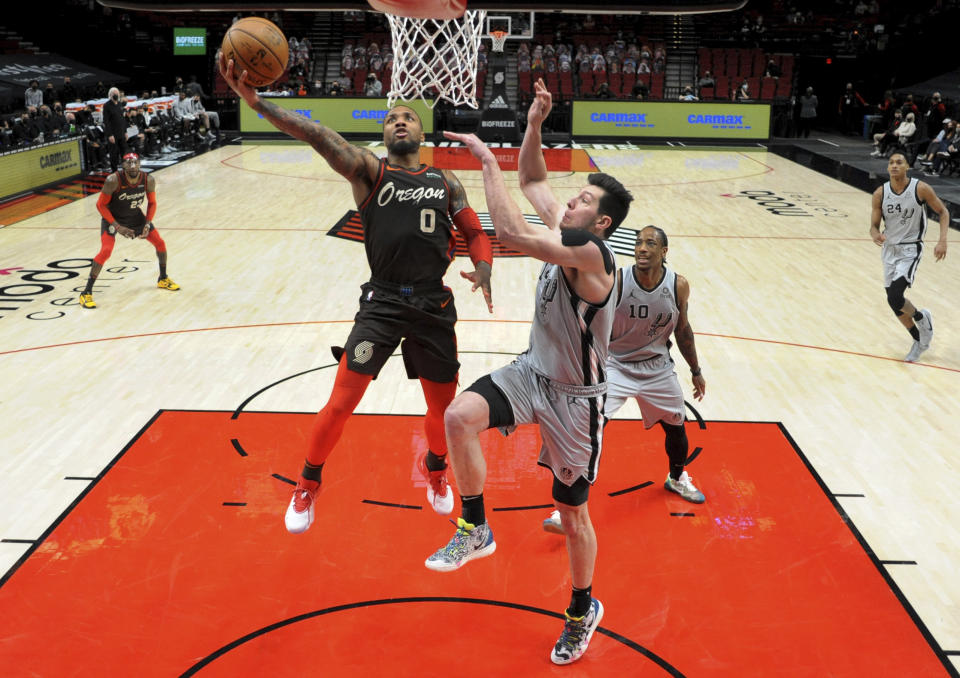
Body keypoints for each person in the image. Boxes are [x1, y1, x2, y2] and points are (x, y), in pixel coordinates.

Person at [218, 50, 495, 532]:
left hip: (434, 303)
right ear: (383, 135)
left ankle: (434, 469)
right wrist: (258, 104)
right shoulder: (369, 171)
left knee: (441, 410)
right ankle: (308, 483)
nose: (400, 121)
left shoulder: (445, 181)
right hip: (383, 302)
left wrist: (485, 267)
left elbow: (474, 232)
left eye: (409, 117)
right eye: (392, 118)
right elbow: (316, 133)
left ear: (422, 133)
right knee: (341, 403)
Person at [425, 77, 633, 666]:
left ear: (601, 224)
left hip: (576, 399)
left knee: (571, 513)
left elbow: (511, 231)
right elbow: (535, 180)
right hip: (533, 374)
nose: (570, 201)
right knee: (460, 416)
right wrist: (536, 125)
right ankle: (475, 527)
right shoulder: (573, 228)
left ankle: (581, 608)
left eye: (584, 201)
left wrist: (488, 158)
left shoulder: (592, 258)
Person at [542, 225, 707, 534]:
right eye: (638, 242)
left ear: (664, 252)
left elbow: (683, 331)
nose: (642, 248)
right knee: (589, 430)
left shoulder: (678, 285)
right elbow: (587, 320)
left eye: (650, 243)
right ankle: (566, 510)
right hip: (615, 365)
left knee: (676, 427)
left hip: (657, 367)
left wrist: (695, 370)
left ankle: (676, 477)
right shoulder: (617, 281)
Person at [869, 150, 948, 362]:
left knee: (896, 296)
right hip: (890, 250)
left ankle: (922, 319)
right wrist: (875, 234)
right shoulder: (880, 194)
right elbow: (874, 226)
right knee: (893, 302)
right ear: (888, 168)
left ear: (907, 167)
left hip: (910, 249)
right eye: (891, 163)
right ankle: (919, 340)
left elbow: (943, 212)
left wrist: (942, 240)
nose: (894, 165)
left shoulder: (920, 188)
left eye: (899, 162)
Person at [79, 153, 180, 308]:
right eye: (128, 163)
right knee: (106, 251)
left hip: (136, 217)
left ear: (139, 163)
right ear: (123, 165)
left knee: (160, 243)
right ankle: (86, 293)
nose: (132, 166)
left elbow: (152, 203)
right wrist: (118, 227)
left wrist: (147, 224)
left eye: (135, 162)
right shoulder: (113, 180)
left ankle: (163, 278)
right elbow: (100, 205)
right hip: (113, 219)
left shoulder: (148, 180)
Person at [102, 87, 127, 173]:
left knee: (124, 152)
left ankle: (125, 168)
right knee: (114, 153)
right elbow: (106, 121)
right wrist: (109, 135)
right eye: (114, 94)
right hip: (113, 134)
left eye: (117, 93)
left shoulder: (120, 104)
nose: (116, 95)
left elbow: (123, 119)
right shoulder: (106, 105)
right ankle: (114, 170)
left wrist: (125, 131)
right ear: (110, 95)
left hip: (121, 132)